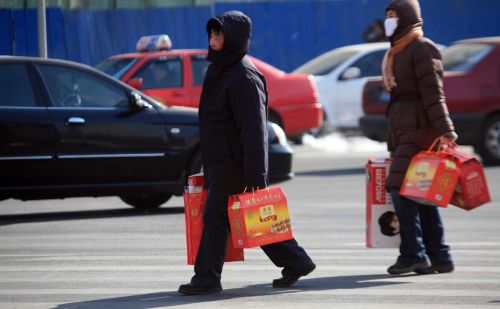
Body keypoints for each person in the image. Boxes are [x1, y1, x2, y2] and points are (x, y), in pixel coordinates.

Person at [178, 11, 315, 295]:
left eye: (219, 34)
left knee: (216, 216)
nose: (213, 39)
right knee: (249, 218)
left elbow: (254, 130)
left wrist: (257, 174)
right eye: (212, 34)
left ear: (234, 38)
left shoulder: (244, 75)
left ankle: (207, 277)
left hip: (235, 163)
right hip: (219, 160)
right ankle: (296, 261)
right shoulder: (219, 68)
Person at [381, 0, 458, 275]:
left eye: (393, 15)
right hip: (405, 130)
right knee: (419, 193)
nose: (389, 20)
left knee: (399, 188)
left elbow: (434, 94)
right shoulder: (397, 50)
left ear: (407, 17)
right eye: (387, 15)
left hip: (419, 132)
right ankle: (440, 256)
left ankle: (413, 254)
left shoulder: (421, 48)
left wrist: (446, 130)